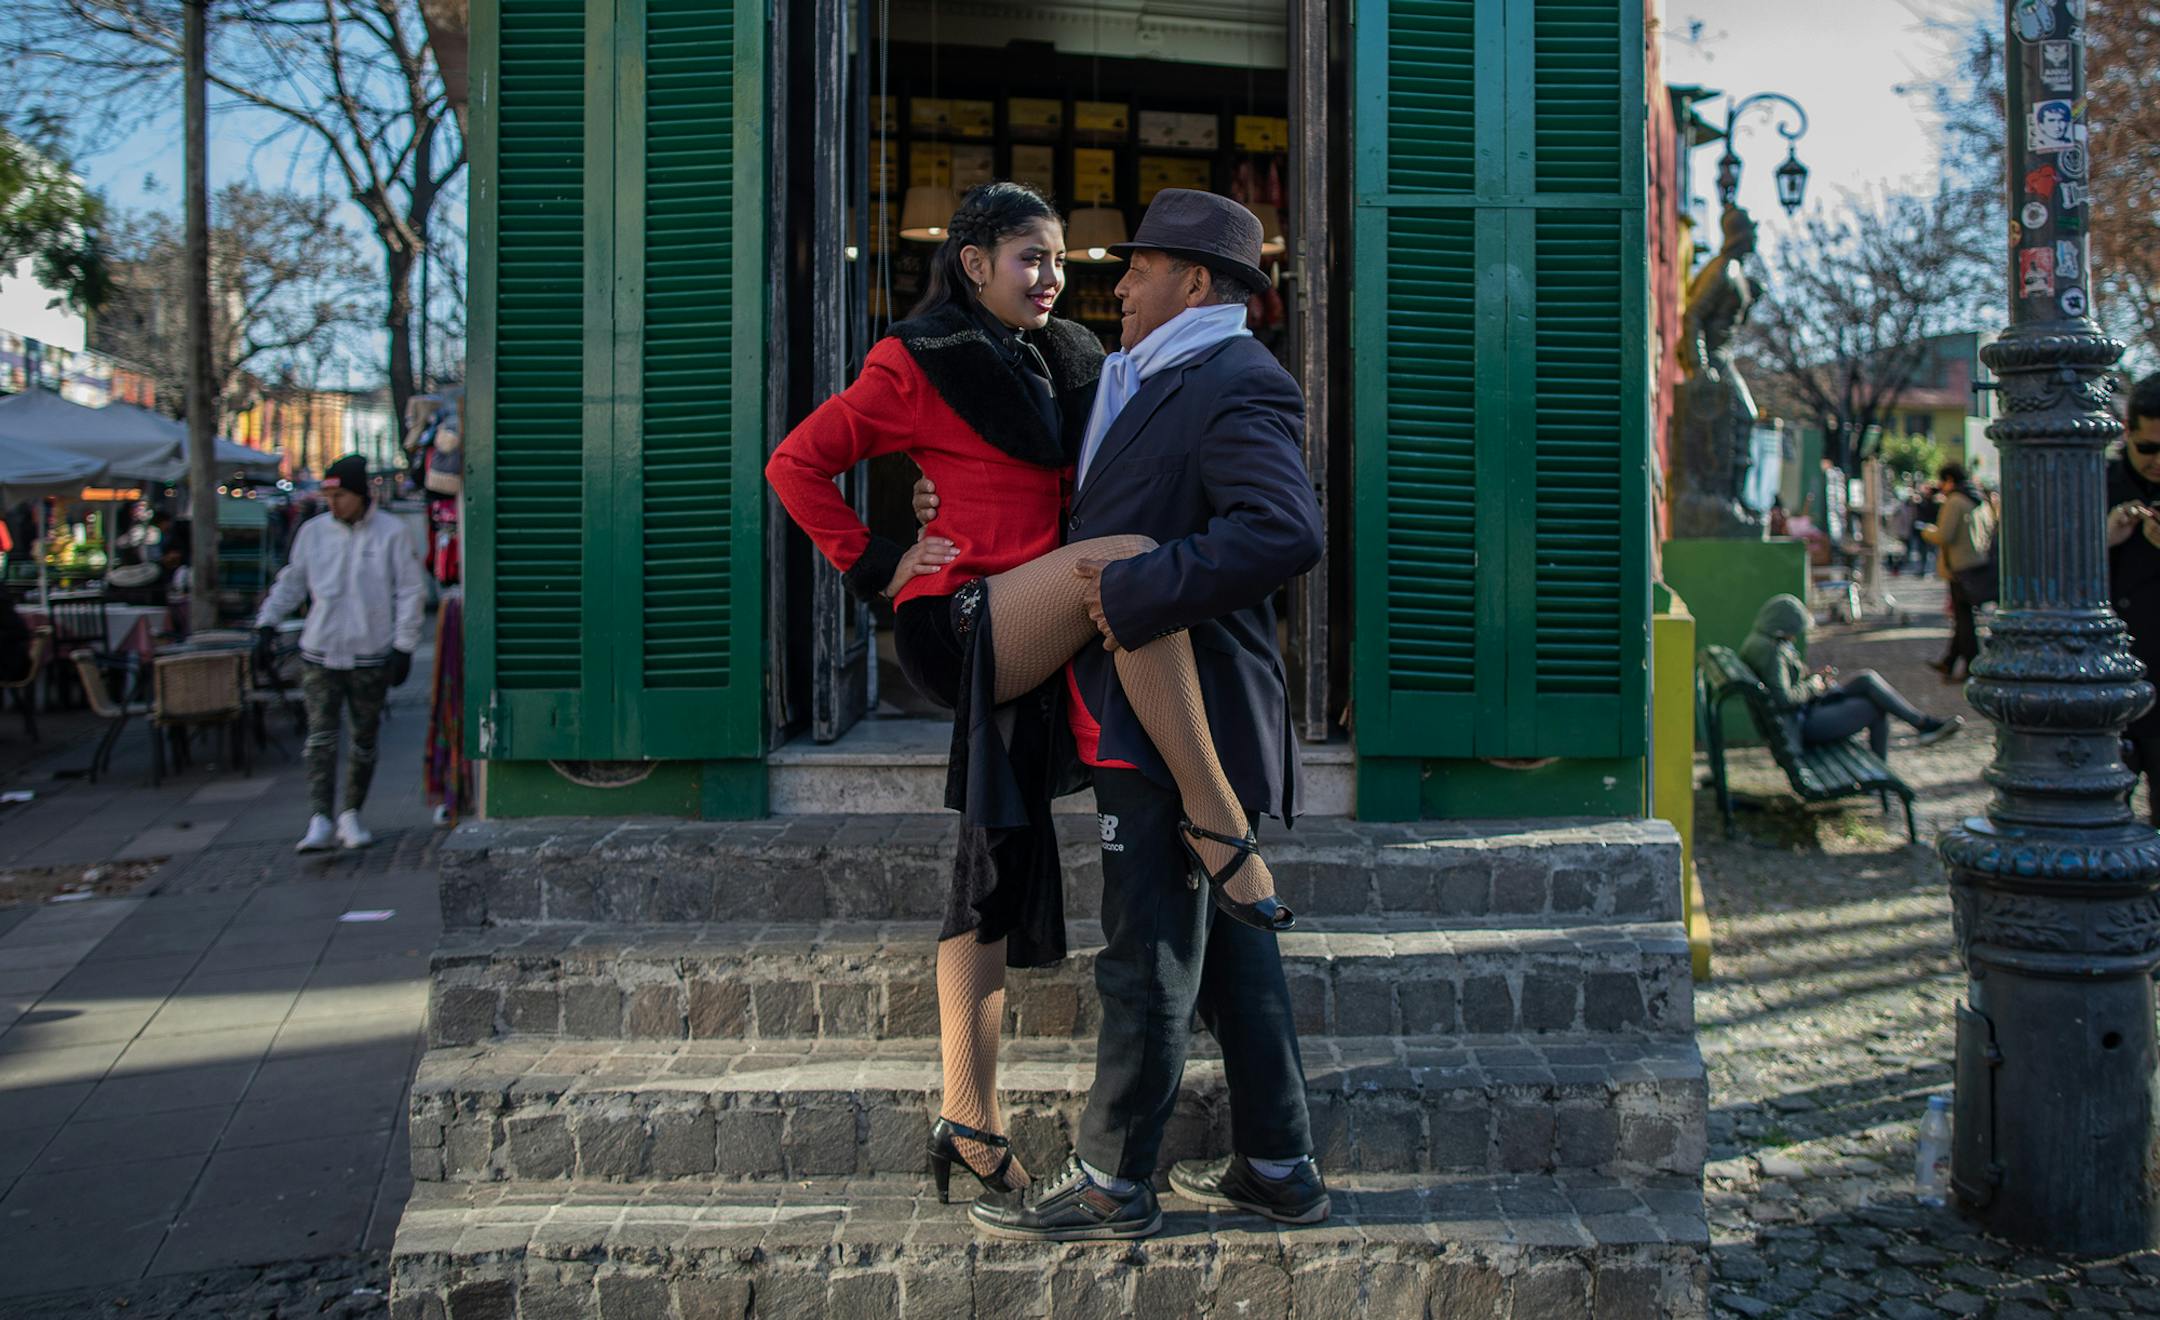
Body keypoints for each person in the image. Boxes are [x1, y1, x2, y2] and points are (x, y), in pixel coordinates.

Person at [767, 182, 1296, 1213]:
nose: (1062, 278)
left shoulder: (1088, 363)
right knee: (1130, 566)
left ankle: (969, 1120)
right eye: (1030, 259)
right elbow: (798, 465)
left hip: (1054, 622)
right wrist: (882, 559)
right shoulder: (916, 360)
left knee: (992, 863)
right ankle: (1219, 819)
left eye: (1067, 260)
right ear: (973, 264)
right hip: (966, 621)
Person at [959, 189, 1326, 1242]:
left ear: (1196, 285)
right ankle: (1279, 1165)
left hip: (1186, 716)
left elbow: (1284, 531)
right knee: (1231, 952)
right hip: (1140, 705)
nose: (1117, 287)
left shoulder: (1236, 379)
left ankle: (1117, 1182)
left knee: (1147, 949)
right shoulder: (1149, 376)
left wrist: (1134, 590)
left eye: (1141, 269)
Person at [254, 454, 425, 853]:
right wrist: (267, 622)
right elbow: (293, 581)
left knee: (364, 737)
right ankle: (320, 816)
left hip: (370, 651)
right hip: (320, 649)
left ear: (360, 494)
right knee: (320, 737)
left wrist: (404, 645)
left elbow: (410, 591)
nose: (333, 502)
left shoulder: (392, 533)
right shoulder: (313, 533)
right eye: (329, 494)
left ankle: (351, 812)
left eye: (341, 494)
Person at [1741, 594, 1961, 757]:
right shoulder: (1771, 651)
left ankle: (1923, 724)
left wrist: (1813, 680)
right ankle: (1886, 769)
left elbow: (1783, 689)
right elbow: (1784, 698)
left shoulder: (1762, 641)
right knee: (1875, 707)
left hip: (1805, 710)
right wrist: (1814, 685)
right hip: (1801, 723)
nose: (1794, 637)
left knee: (1866, 678)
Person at [2107, 373, 2160, 822]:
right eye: (2149, 448)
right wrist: (2100, 541)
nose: (2159, 461)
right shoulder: (2096, 483)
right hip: (2111, 684)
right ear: (2127, 432)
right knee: (2107, 822)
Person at [1923, 462, 1995, 683]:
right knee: (1963, 617)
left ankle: (1972, 666)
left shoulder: (1955, 501)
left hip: (1960, 566)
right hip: (1977, 563)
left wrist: (1927, 531)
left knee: (1964, 619)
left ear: (1950, 480)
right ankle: (1950, 661)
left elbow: (1944, 535)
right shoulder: (1979, 499)